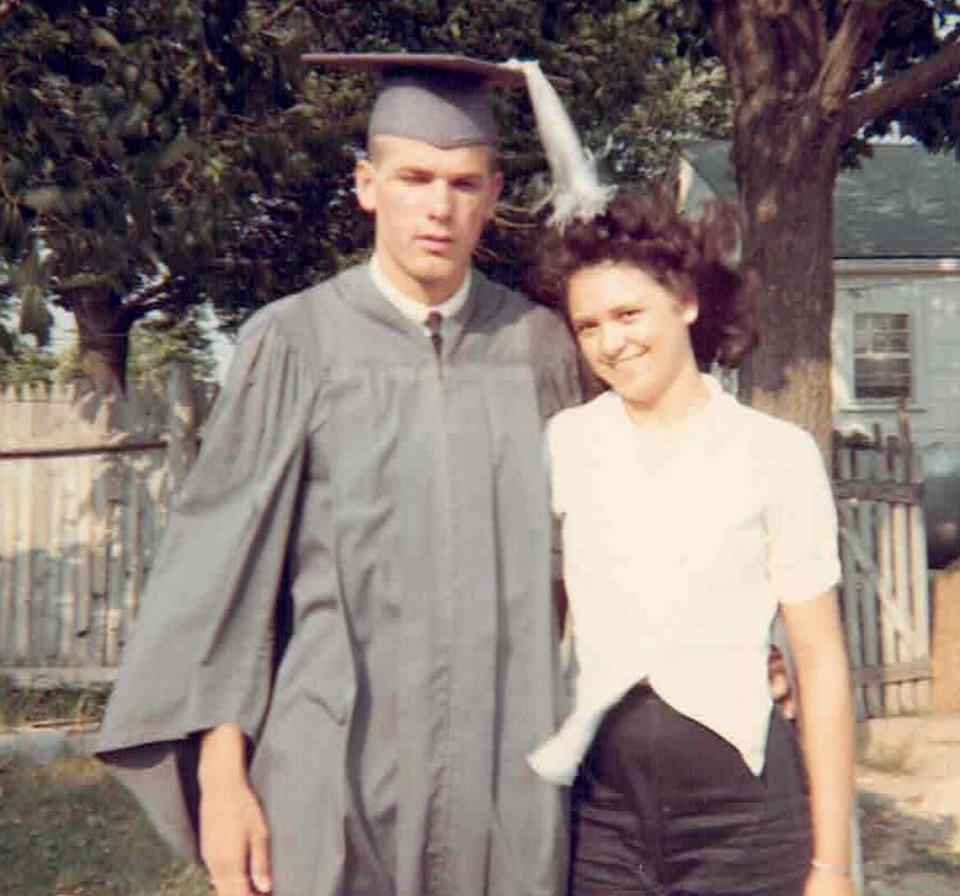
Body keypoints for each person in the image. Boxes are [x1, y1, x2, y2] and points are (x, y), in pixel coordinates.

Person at [96, 54, 583, 896]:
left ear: (496, 196)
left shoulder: (541, 347)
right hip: (330, 764)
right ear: (366, 184)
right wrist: (222, 777)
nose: (440, 206)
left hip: (507, 764)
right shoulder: (294, 343)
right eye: (415, 177)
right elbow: (226, 578)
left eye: (465, 183)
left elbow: (619, 532)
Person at [527, 187, 856, 896]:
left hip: (744, 819)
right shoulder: (567, 445)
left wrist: (832, 866)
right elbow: (539, 613)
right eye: (588, 326)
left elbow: (822, 666)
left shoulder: (775, 452)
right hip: (602, 817)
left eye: (627, 313)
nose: (610, 342)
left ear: (685, 301)